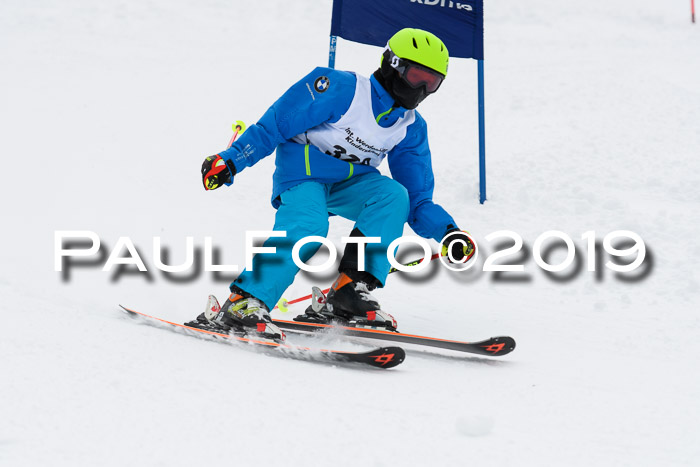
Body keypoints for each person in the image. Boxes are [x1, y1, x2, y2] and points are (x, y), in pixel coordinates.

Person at [187, 28, 474, 342]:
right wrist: (232, 160)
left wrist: (448, 233)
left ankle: (348, 292)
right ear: (393, 65)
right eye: (417, 76)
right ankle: (244, 301)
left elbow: (418, 200)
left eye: (431, 83)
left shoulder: (410, 127)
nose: (420, 88)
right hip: (304, 174)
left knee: (394, 195)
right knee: (309, 226)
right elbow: (276, 123)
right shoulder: (342, 89)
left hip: (351, 184)